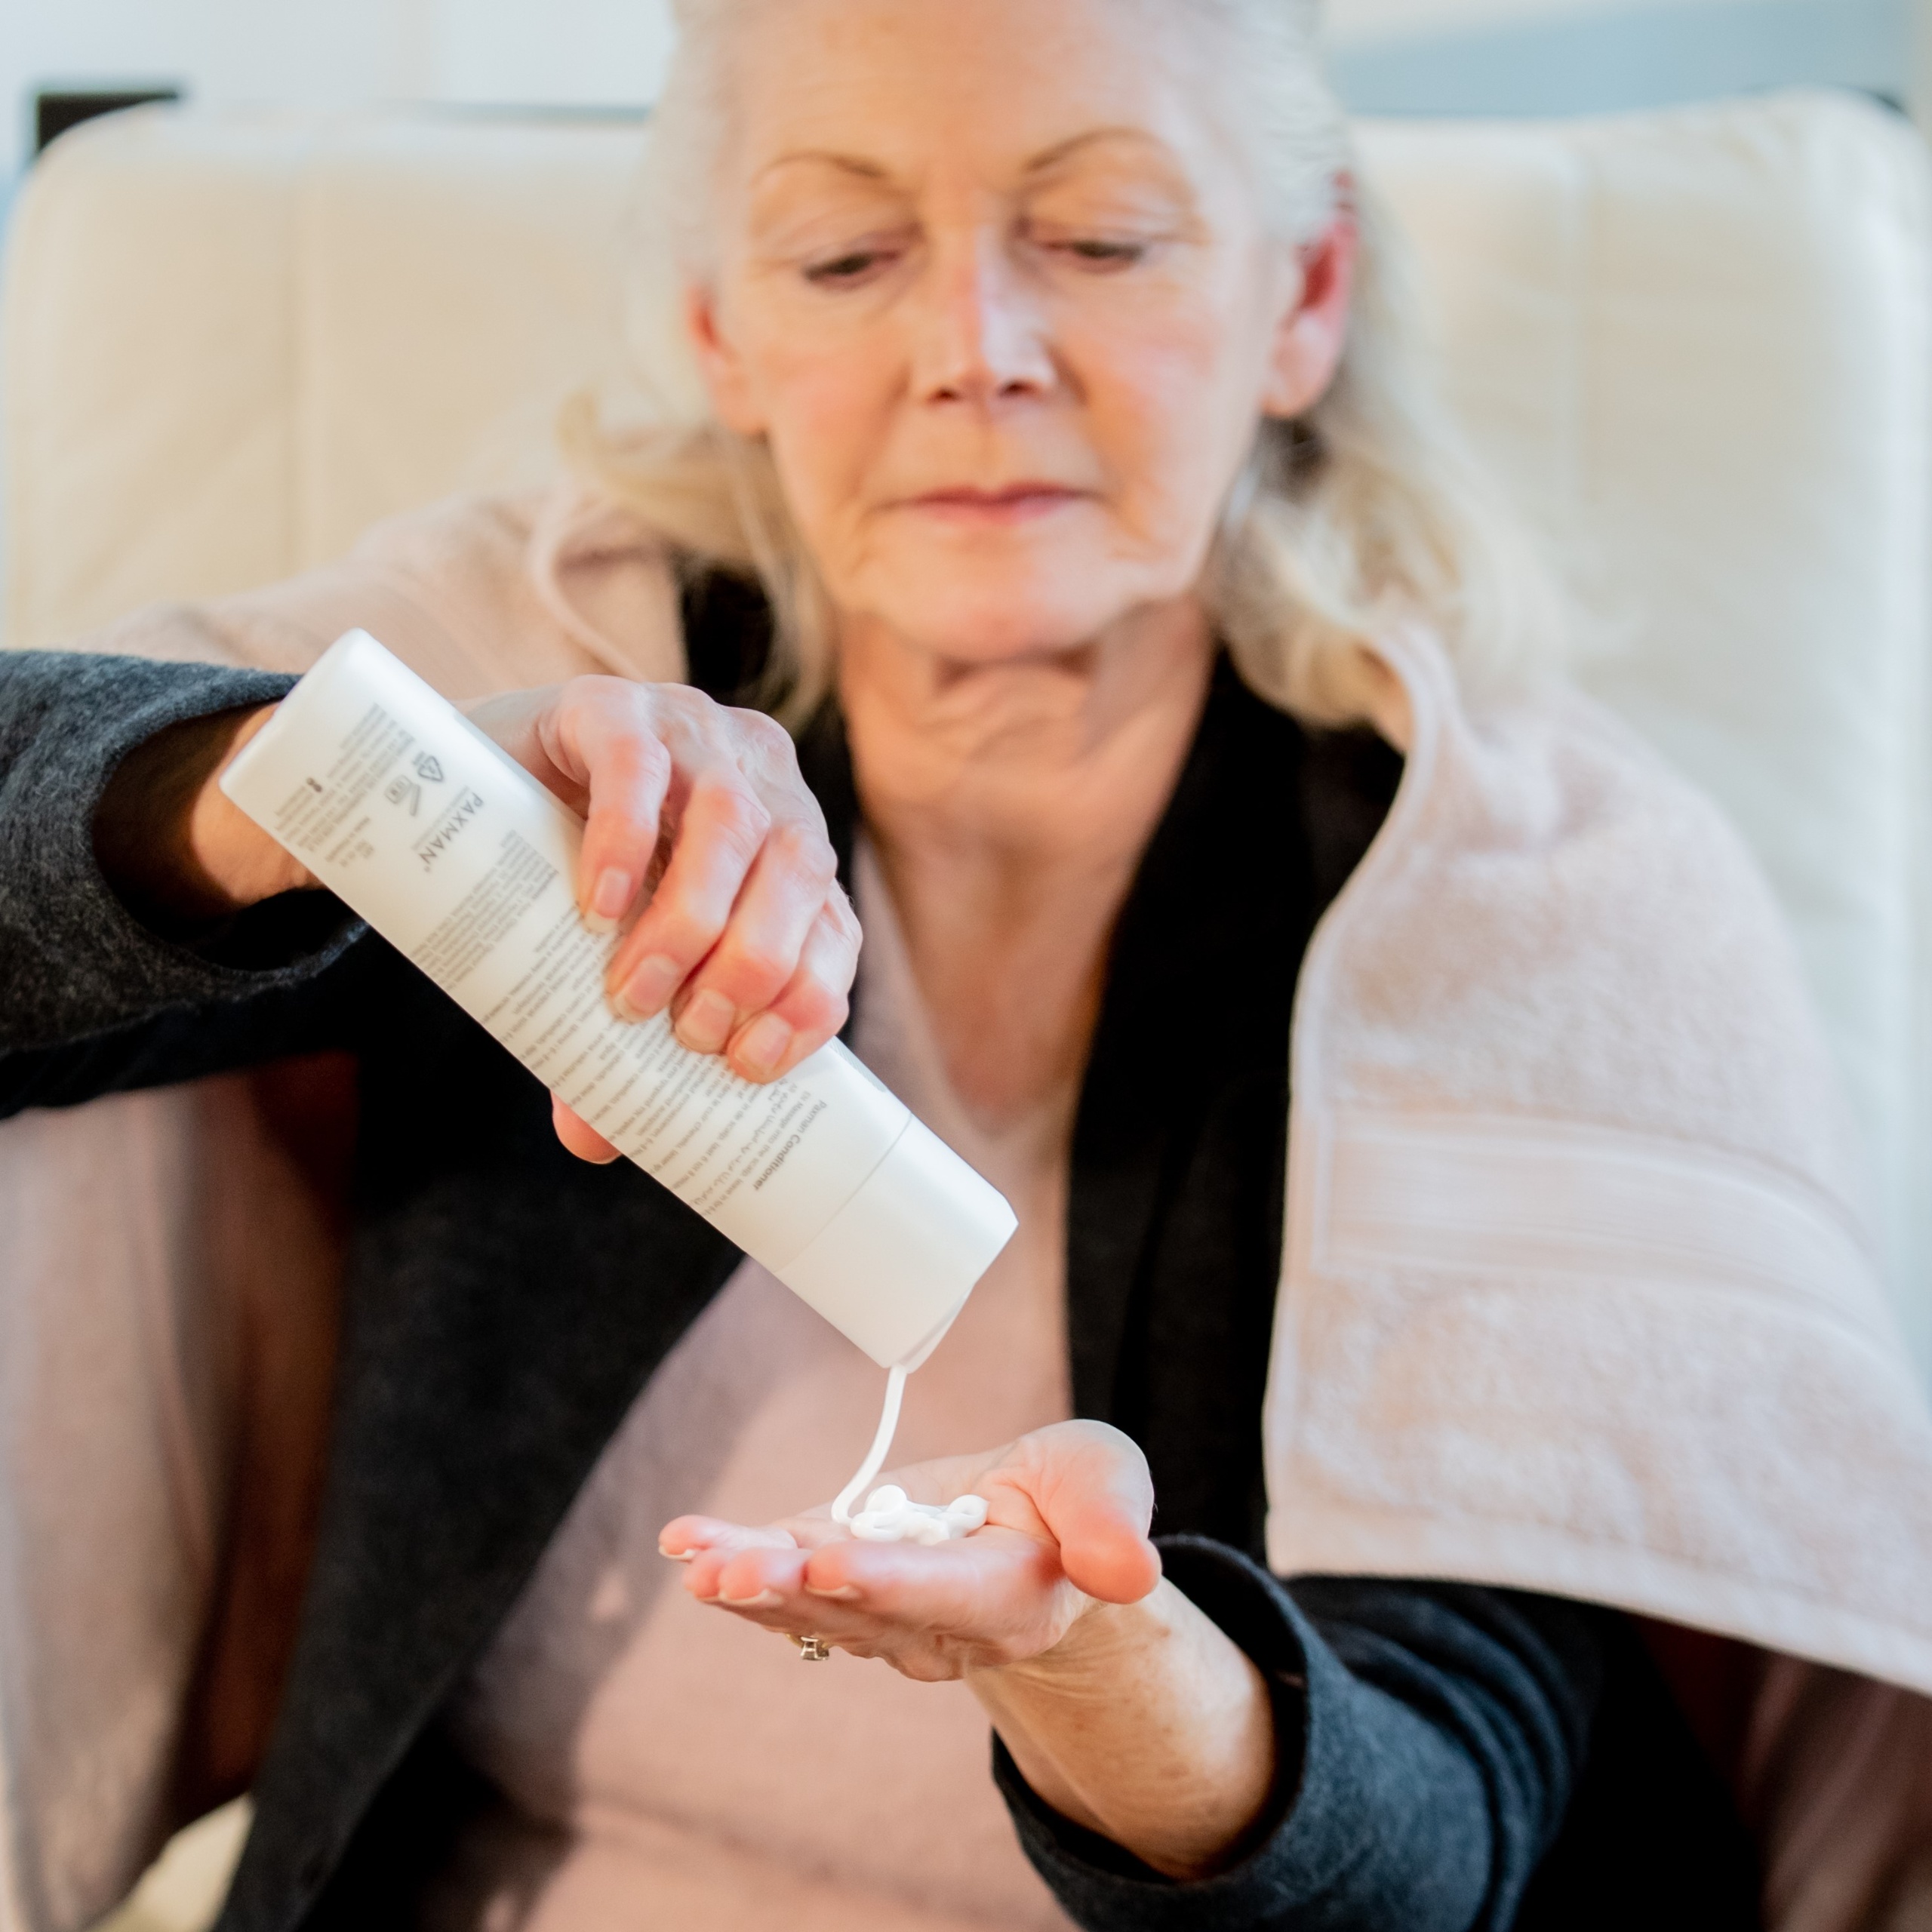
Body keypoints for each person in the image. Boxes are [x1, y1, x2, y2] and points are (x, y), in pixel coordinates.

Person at [7, 2, 1932, 1928]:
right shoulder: (525, 678)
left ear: (1303, 293)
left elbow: (1443, 1849)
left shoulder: (1536, 907)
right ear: (713, 325)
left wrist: (1102, 1664)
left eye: (1097, 242)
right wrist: (302, 797)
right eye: (846, 258)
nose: (973, 356)